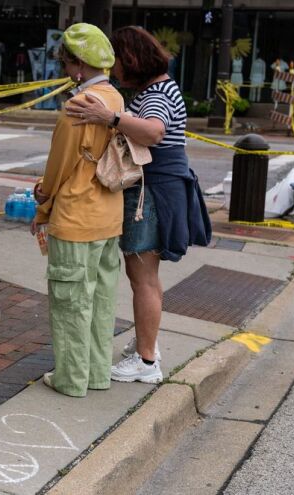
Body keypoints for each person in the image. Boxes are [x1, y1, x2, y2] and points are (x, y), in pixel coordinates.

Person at [64, 26, 211, 384]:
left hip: (153, 192)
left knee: (142, 278)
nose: (113, 69)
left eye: (117, 61)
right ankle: (149, 346)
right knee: (147, 278)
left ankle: (146, 363)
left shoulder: (159, 92)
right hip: (160, 189)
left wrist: (110, 118)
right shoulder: (160, 88)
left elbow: (154, 132)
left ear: (131, 59)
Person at [31, 23, 123, 397]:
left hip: (75, 215)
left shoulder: (77, 107)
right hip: (109, 216)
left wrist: (43, 200)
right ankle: (97, 374)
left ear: (80, 65)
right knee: (102, 301)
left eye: (68, 64)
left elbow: (60, 166)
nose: (67, 72)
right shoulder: (115, 100)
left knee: (71, 303)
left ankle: (71, 379)